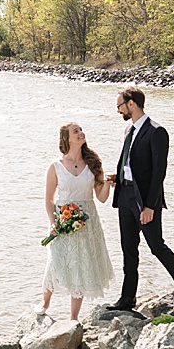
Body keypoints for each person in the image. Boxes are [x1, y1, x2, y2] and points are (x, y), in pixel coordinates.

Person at [109, 86, 174, 312]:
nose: (118, 111)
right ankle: (127, 298)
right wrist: (117, 177)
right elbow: (130, 164)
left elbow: (159, 173)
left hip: (144, 201)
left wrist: (149, 206)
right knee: (128, 248)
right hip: (125, 195)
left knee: (157, 246)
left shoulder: (157, 131)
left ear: (131, 104)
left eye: (119, 105)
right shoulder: (129, 131)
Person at [39, 122, 116, 320]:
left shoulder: (93, 163)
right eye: (76, 131)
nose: (81, 133)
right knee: (56, 262)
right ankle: (45, 301)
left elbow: (101, 197)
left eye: (81, 130)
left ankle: (73, 317)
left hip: (87, 221)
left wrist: (107, 184)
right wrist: (53, 222)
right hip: (63, 220)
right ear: (67, 138)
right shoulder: (55, 166)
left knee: (81, 266)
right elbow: (49, 199)